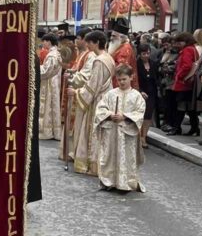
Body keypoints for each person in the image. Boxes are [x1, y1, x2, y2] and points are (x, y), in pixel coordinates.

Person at [69, 29, 116, 175]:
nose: (87, 45)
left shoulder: (99, 60)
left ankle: (93, 164)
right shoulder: (108, 57)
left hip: (98, 100)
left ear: (96, 43)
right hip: (106, 97)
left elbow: (93, 85)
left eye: (89, 42)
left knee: (93, 132)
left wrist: (76, 92)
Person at [95, 64, 146, 193]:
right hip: (111, 132)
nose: (122, 82)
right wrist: (109, 115)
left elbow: (140, 112)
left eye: (124, 79)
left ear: (131, 77)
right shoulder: (111, 94)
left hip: (127, 133)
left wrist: (125, 116)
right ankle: (109, 181)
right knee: (109, 156)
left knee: (126, 157)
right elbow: (100, 109)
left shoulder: (136, 96)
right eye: (119, 80)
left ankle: (126, 183)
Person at [60, 29, 94, 162]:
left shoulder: (90, 56)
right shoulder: (82, 54)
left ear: (85, 40)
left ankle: (76, 152)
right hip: (75, 92)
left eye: (78, 38)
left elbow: (86, 75)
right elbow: (78, 69)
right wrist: (71, 71)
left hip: (81, 94)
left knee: (79, 125)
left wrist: (71, 77)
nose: (76, 41)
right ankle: (71, 151)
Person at [165, 32, 199, 136]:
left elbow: (186, 66)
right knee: (189, 107)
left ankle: (177, 128)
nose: (178, 44)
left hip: (184, 82)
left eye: (180, 42)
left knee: (181, 106)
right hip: (188, 82)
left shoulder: (187, 50)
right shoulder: (193, 49)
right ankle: (194, 127)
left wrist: (178, 76)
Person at [39, 33, 62, 141]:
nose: (43, 44)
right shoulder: (56, 53)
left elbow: (46, 71)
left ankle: (47, 132)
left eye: (44, 41)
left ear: (49, 41)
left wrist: (35, 68)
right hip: (53, 83)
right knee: (53, 107)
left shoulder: (52, 55)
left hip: (49, 84)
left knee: (48, 107)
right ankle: (54, 131)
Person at [136, 43, 159, 147]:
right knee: (140, 115)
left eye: (148, 53)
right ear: (139, 54)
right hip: (140, 92)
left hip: (151, 93)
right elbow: (135, 80)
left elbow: (156, 78)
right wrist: (140, 91)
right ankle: (139, 136)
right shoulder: (136, 64)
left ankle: (144, 136)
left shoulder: (153, 63)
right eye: (144, 54)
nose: (146, 55)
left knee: (148, 115)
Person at [109, 19, 139, 89]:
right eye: (111, 35)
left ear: (121, 37)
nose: (111, 38)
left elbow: (122, 68)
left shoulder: (125, 49)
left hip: (121, 83)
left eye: (114, 36)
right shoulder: (119, 46)